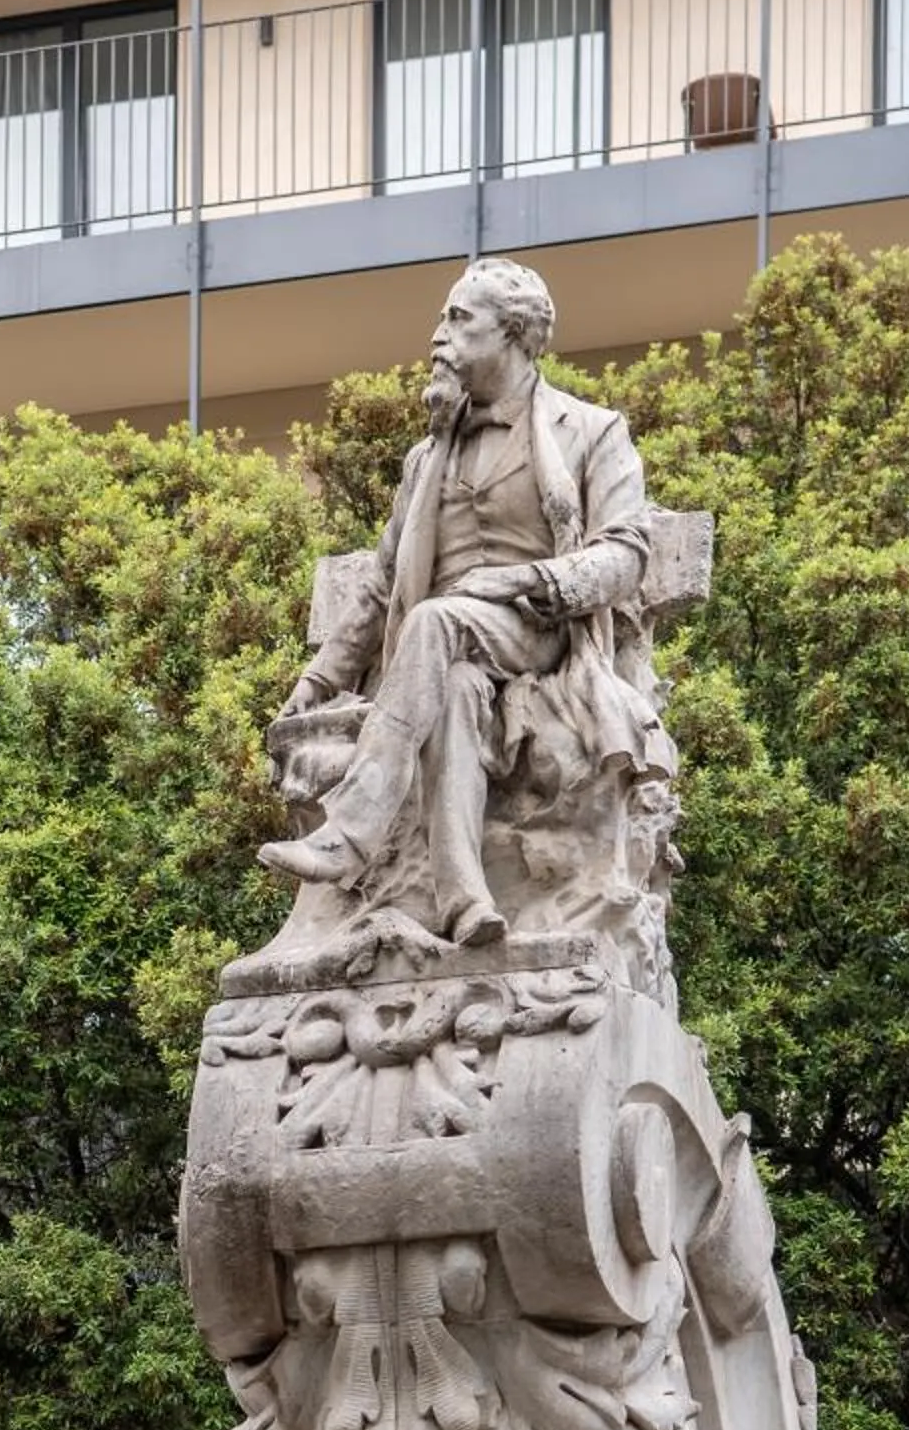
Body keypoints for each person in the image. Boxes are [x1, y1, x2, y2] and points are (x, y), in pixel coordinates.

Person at [258, 258, 656, 947]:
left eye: (458, 318)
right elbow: (384, 583)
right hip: (442, 652)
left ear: (515, 332)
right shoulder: (427, 457)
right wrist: (317, 680)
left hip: (540, 636)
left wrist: (526, 582)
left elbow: (626, 555)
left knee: (438, 621)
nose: (438, 334)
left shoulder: (589, 431)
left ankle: (348, 835)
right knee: (459, 685)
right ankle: (465, 900)